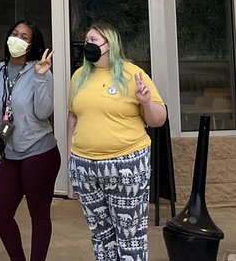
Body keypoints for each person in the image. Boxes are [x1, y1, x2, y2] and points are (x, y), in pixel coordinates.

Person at [66, 23, 167, 261]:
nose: (87, 44)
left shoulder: (133, 74)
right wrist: (71, 153)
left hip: (126, 166)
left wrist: (146, 102)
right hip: (85, 167)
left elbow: (158, 120)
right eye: (86, 40)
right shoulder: (79, 76)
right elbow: (72, 115)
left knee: (129, 237)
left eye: (93, 40)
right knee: (101, 236)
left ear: (109, 45)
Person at [0, 21, 57, 261]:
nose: (17, 39)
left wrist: (41, 78)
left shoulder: (40, 69)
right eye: (14, 33)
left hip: (40, 152)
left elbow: (44, 112)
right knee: (0, 211)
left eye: (24, 36)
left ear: (31, 44)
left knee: (39, 215)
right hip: (10, 154)